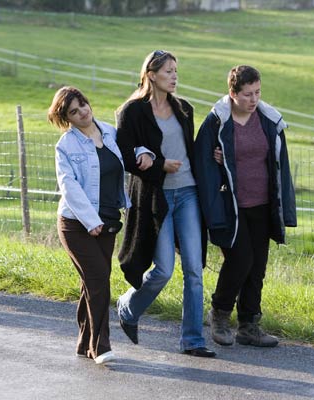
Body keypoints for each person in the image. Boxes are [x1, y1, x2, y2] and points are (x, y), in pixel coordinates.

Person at [115, 50, 215, 357]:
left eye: (176, 71)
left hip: (188, 193)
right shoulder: (131, 112)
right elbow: (124, 154)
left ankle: (193, 340)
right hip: (156, 198)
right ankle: (128, 308)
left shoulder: (184, 108)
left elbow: (192, 149)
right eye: (168, 71)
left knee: (195, 270)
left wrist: (214, 157)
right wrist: (158, 165)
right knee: (163, 270)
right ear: (151, 74)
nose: (174, 76)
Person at [193, 65, 296, 347]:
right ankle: (220, 314)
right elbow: (202, 166)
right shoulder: (216, 123)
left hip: (263, 205)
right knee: (240, 260)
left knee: (257, 266)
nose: (254, 100)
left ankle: (249, 325)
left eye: (258, 93)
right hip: (230, 206)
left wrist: (284, 206)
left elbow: (279, 166)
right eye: (248, 94)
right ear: (233, 93)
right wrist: (221, 164)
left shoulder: (267, 120)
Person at [49, 86, 130, 365]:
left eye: (82, 104)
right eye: (74, 111)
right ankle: (100, 345)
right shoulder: (66, 145)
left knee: (92, 281)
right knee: (98, 279)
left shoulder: (110, 132)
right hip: (75, 224)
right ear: (67, 118)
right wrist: (90, 220)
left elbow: (129, 152)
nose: (82, 112)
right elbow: (68, 186)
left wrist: (145, 152)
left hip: (108, 221)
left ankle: (84, 342)